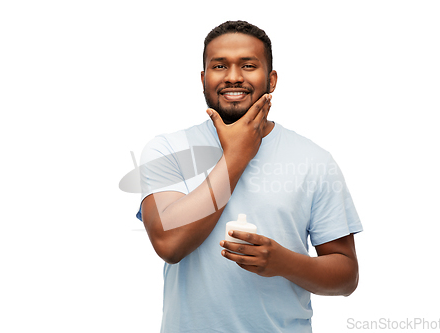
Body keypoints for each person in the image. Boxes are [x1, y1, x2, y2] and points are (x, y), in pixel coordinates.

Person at [137, 20, 363, 333]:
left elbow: (346, 276)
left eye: (248, 65)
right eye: (219, 66)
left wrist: (283, 262)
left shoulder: (314, 161)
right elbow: (169, 243)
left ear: (271, 79)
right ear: (203, 79)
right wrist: (236, 156)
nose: (233, 77)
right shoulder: (168, 149)